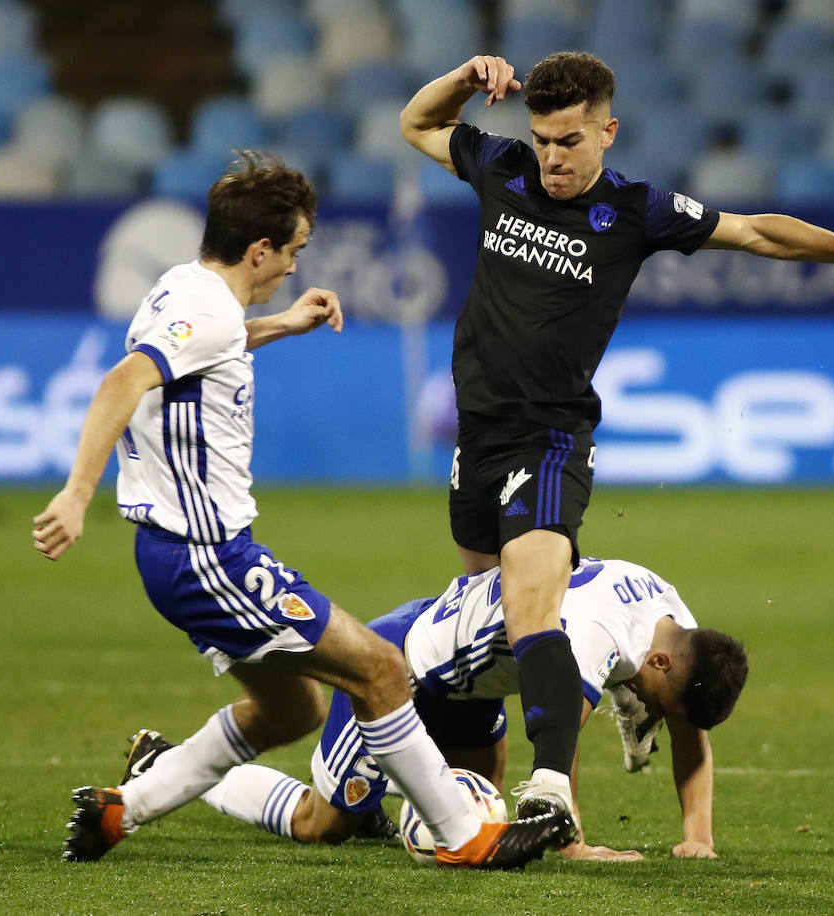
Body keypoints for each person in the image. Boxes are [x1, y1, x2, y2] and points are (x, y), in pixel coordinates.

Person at [398, 51, 834, 832]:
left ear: (607, 133)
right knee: (487, 631)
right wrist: (461, 77)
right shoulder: (500, 166)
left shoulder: (637, 211)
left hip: (550, 438)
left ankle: (550, 797)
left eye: (571, 140)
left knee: (530, 611)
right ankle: (549, 747)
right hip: (477, 436)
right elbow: (416, 122)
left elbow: (757, 233)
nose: (553, 156)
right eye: (544, 139)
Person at [30, 151, 571, 869]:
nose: (294, 265)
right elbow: (122, 381)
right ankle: (465, 835)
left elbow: (204, 348)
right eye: (294, 250)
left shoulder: (183, 289)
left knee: (292, 712)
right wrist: (75, 494)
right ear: (260, 249)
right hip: (207, 555)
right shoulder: (208, 311)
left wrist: (282, 324)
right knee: (382, 671)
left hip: (175, 556)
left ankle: (123, 811)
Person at [124, 557, 748, 861]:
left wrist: (698, 838)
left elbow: (692, 728)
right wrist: (571, 843)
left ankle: (378, 806)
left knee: (479, 817)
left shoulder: (676, 625)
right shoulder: (598, 631)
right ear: (661, 664)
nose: (650, 711)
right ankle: (167, 765)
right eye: (657, 702)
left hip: (473, 686)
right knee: (323, 825)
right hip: (405, 669)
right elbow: (561, 732)